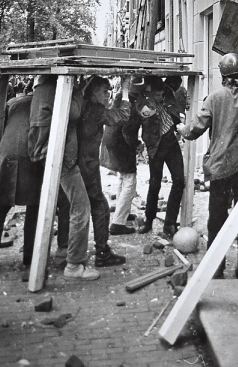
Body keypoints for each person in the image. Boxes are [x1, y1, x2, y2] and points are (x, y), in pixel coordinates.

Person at [177, 26, 238, 279]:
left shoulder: (214, 98)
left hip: (220, 167)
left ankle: (216, 268)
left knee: (217, 218)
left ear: (223, 75)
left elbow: (195, 129)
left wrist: (182, 128)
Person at [28, 75, 99, 281]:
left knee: (65, 204)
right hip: (61, 156)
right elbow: (73, 112)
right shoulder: (57, 87)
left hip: (46, 152)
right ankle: (74, 264)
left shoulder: (42, 87)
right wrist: (79, 90)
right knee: (81, 208)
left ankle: (62, 253)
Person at [0, 93, 44, 276]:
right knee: (36, 208)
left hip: (7, 155)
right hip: (34, 158)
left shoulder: (15, 102)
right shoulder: (50, 101)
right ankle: (31, 257)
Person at [77, 76, 131, 266]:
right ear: (93, 93)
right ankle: (102, 253)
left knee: (74, 208)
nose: (108, 95)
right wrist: (125, 92)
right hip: (86, 165)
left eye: (110, 91)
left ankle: (66, 252)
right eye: (104, 91)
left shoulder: (81, 105)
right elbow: (122, 115)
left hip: (77, 164)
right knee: (100, 207)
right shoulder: (95, 110)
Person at [133, 76, 185, 238]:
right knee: (155, 183)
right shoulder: (143, 101)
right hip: (155, 145)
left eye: (161, 94)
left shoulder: (166, 93)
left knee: (179, 180)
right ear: (149, 91)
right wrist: (138, 145)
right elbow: (137, 119)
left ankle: (169, 223)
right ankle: (149, 220)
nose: (160, 98)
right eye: (157, 95)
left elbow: (177, 81)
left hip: (170, 140)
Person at [100, 84, 140, 235]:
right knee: (130, 180)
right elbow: (128, 130)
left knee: (123, 178)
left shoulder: (120, 96)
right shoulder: (131, 101)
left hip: (112, 139)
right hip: (121, 142)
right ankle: (117, 223)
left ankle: (122, 213)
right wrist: (137, 145)